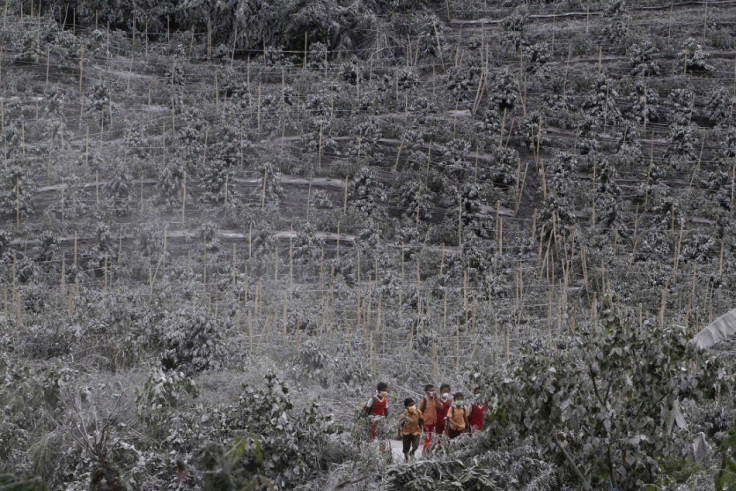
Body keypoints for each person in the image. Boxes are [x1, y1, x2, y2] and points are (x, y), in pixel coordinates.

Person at [418, 384, 440, 452]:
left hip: (433, 422)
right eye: (431, 390)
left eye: (434, 390)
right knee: (427, 438)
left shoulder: (434, 400)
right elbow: (418, 411)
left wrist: (436, 399)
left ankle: (428, 452)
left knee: (432, 439)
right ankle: (425, 452)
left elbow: (440, 407)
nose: (433, 392)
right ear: (427, 392)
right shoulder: (424, 400)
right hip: (426, 423)